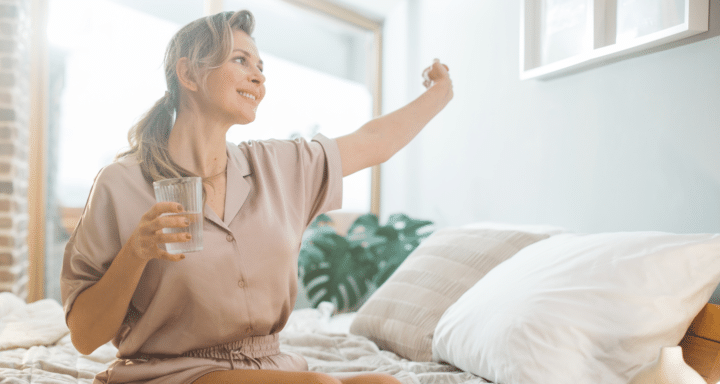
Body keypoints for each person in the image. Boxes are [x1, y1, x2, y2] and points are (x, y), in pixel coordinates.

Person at [60, 9, 452, 384]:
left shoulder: (278, 167)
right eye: (241, 61)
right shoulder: (120, 184)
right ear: (188, 74)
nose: (258, 78)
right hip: (170, 373)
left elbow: (374, 141)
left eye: (261, 67)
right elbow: (84, 335)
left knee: (383, 382)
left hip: (268, 364)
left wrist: (440, 92)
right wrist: (136, 253)